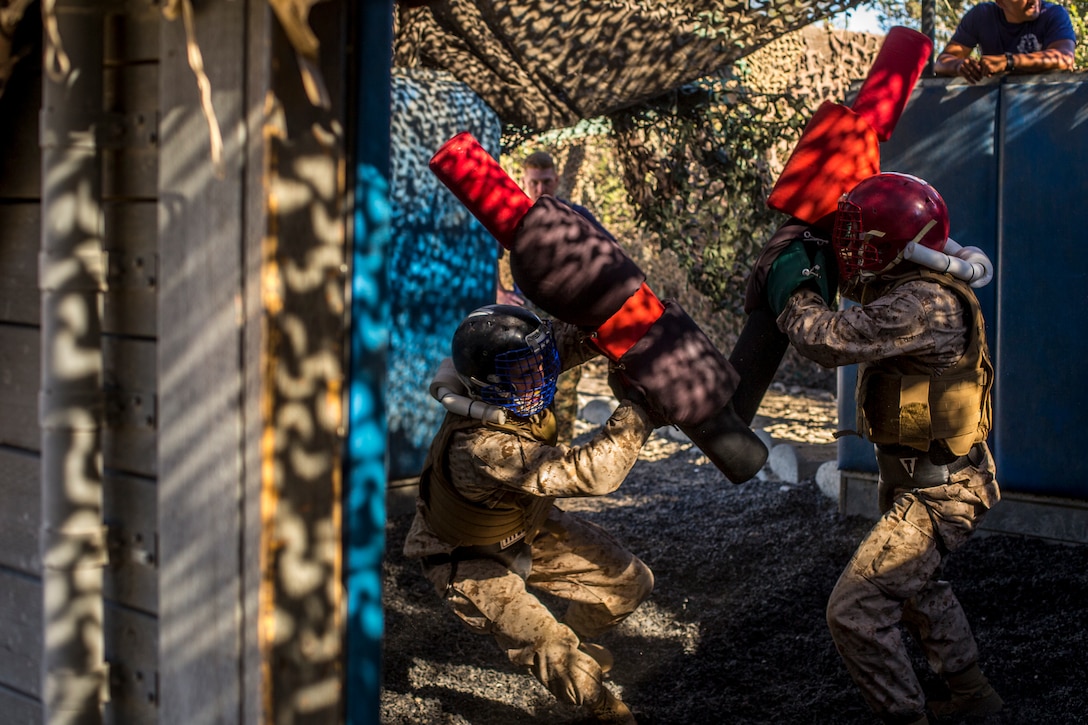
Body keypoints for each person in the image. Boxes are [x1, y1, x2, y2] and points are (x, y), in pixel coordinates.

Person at [764, 173, 1003, 725]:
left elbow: (824, 338)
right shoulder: (908, 275)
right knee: (919, 588)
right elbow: (865, 288)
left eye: (859, 236)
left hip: (939, 493)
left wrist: (793, 285)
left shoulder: (923, 302)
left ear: (897, 245)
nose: (850, 247)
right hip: (926, 480)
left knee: (855, 611)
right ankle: (974, 698)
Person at [403, 304, 662, 724]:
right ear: (487, 385)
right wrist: (640, 411)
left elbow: (574, 337)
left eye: (539, 363)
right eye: (526, 371)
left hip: (525, 523)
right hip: (466, 557)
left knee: (629, 583)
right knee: (564, 661)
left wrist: (638, 317)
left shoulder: (514, 375)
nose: (541, 374)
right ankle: (603, 708)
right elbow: (592, 474)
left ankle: (575, 638)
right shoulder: (483, 446)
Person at [498, 150, 615, 446]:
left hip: (568, 317)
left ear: (556, 180)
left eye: (546, 182)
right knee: (525, 385)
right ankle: (529, 453)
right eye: (534, 183)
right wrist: (500, 290)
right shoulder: (515, 216)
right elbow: (486, 255)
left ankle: (560, 455)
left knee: (564, 387)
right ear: (524, 181)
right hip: (526, 319)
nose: (540, 189)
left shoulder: (573, 214)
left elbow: (609, 251)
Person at [934, 0, 1076, 84]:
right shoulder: (981, 16)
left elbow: (1064, 58)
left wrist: (1008, 62)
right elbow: (941, 63)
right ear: (1000, 2)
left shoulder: (1054, 14)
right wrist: (960, 66)